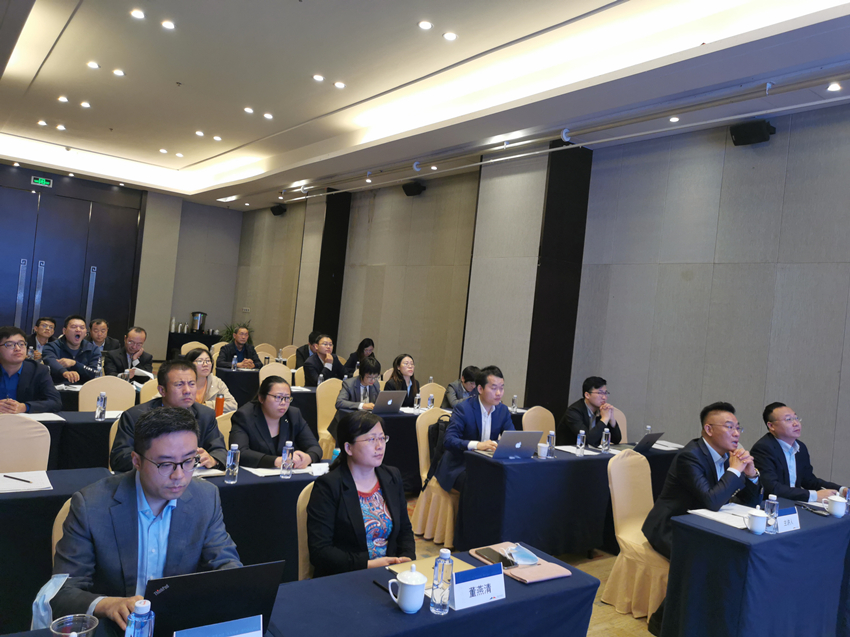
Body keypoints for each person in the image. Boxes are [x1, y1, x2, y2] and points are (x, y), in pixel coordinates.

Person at [51, 407, 241, 631]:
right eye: (165, 464)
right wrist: (107, 604)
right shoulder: (91, 505)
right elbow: (63, 592)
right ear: (136, 461)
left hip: (176, 623)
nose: (179, 475)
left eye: (189, 461)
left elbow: (226, 564)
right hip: (116, 629)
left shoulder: (205, 497)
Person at [642, 402, 761, 560]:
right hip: (674, 527)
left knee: (750, 549)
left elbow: (752, 502)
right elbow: (711, 502)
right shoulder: (690, 457)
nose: (736, 434)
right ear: (709, 429)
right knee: (723, 558)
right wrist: (734, 471)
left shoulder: (729, 457)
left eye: (738, 428)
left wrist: (751, 475)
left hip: (710, 524)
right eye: (729, 427)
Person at [307, 411, 415, 577]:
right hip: (347, 575)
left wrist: (406, 560)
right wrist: (367, 565)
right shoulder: (328, 486)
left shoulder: (391, 476)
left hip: (390, 571)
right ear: (348, 448)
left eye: (382, 438)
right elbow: (320, 552)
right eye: (371, 439)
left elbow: (405, 530)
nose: (380, 446)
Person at [110, 360, 227, 472]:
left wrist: (213, 460)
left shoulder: (205, 415)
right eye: (179, 384)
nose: (187, 390)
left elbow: (220, 451)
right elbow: (120, 458)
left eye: (192, 384)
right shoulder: (135, 416)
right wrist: (158, 462)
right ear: (162, 390)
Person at [434, 365, 515, 492]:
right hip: (460, 464)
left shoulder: (503, 411)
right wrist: (477, 445)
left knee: (511, 478)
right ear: (480, 389)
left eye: (501, 388)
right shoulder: (463, 408)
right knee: (480, 482)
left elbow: (512, 439)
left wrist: (495, 444)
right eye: (494, 388)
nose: (499, 393)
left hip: (488, 463)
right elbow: (449, 440)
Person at [752, 402, 847, 502]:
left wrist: (841, 490)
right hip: (771, 505)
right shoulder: (763, 448)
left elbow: (809, 481)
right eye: (788, 419)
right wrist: (814, 496)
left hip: (794, 504)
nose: (796, 423)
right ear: (771, 426)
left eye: (796, 418)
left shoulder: (800, 447)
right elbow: (771, 488)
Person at [230, 376, 321, 468]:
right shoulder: (244, 416)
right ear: (261, 398)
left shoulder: (293, 415)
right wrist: (276, 461)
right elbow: (240, 453)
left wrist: (308, 458)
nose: (283, 403)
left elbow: (315, 447)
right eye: (278, 397)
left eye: (287, 398)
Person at [0, 326, 61, 413]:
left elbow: (55, 402)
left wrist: (25, 407)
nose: (17, 349)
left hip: (24, 420)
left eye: (21, 344)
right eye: (10, 345)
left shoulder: (38, 370)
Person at [556, 376, 623, 447]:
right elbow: (587, 440)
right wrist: (604, 419)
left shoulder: (602, 411)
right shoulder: (573, 412)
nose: (604, 397)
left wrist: (611, 419)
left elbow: (616, 440)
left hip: (591, 451)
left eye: (605, 393)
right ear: (587, 395)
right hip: (569, 451)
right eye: (600, 393)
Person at [331, 356, 381, 440]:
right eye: (369, 377)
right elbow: (339, 402)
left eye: (375, 377)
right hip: (348, 422)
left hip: (366, 422)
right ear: (362, 374)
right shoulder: (349, 384)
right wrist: (362, 405)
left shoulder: (375, 384)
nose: (373, 380)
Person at [43, 315, 100, 384]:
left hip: (85, 388)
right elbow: (51, 362)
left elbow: (95, 373)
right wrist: (65, 372)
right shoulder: (51, 347)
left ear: (85, 332)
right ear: (64, 331)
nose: (78, 330)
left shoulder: (93, 349)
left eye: (82, 327)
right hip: (57, 387)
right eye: (73, 327)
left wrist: (75, 364)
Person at [184, 348, 237, 414]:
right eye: (200, 361)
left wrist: (206, 405)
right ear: (189, 364)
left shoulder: (216, 382)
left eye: (208, 361)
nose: (205, 364)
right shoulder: (181, 383)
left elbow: (233, 405)